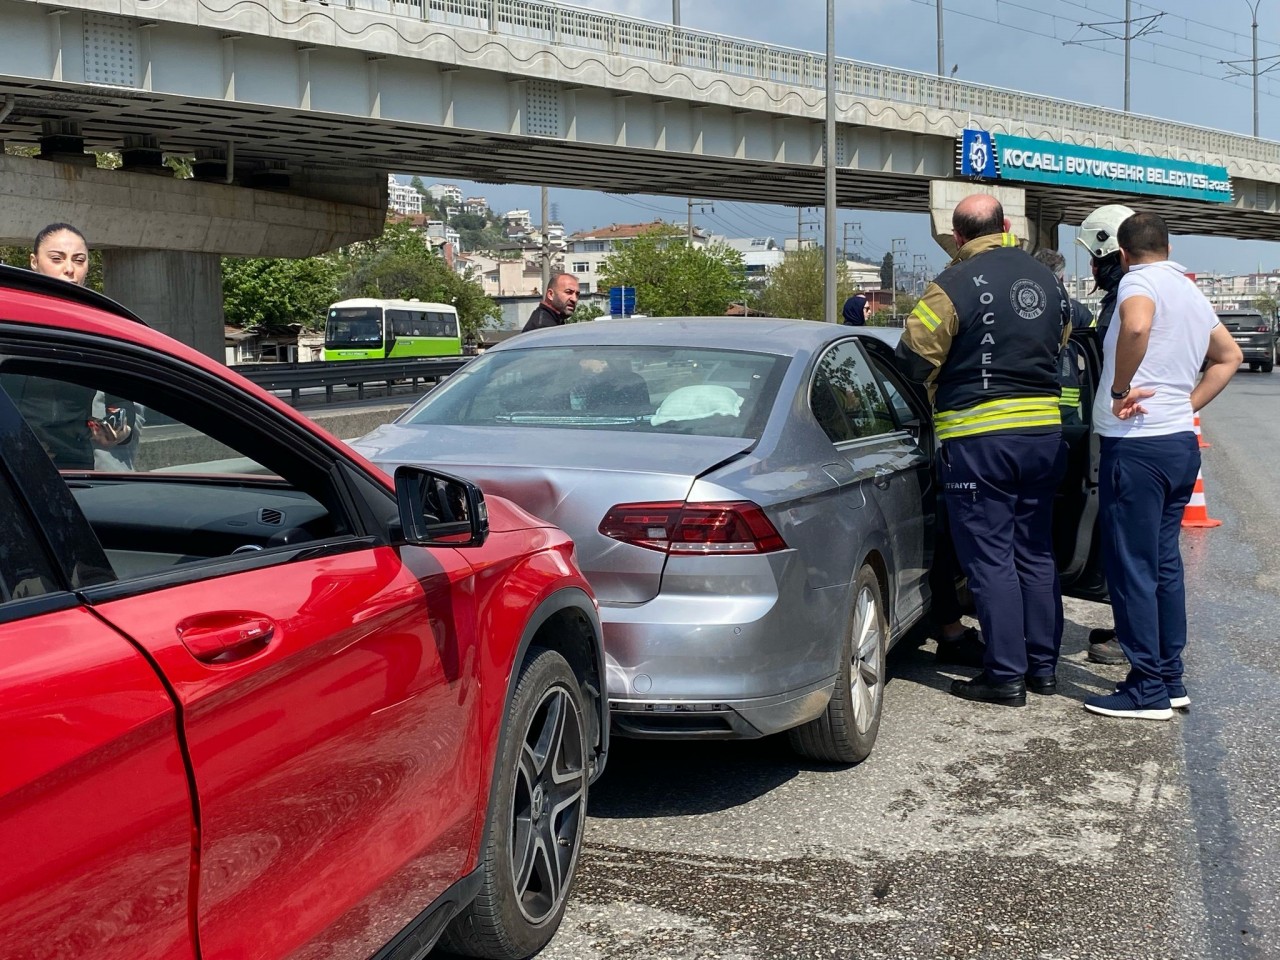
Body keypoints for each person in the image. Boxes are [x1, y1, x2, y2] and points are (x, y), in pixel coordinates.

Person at [895, 194, 1069, 707]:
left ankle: (1005, 676)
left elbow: (912, 358)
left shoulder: (950, 285)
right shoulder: (1048, 282)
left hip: (979, 439)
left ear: (957, 236)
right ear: (1007, 226)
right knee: (1035, 551)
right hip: (1044, 436)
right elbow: (1057, 344)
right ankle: (1043, 670)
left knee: (991, 559)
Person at [1083, 212, 1242, 721]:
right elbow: (1229, 356)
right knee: (1164, 564)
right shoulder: (1191, 291)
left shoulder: (1139, 282)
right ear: (1167, 246)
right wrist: (1186, 405)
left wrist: (1119, 389)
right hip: (1177, 443)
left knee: (1131, 567)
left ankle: (1146, 688)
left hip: (1136, 445)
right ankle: (1170, 678)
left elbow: (1135, 324)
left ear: (1123, 253)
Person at [2, 223, 139, 470]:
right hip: (12, 461)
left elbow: (121, 396)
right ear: (34, 262)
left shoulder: (99, 326)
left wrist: (120, 429)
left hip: (74, 465)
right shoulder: (11, 317)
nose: (69, 269)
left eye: (79, 260)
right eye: (56, 259)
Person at [1075, 204, 1136, 665]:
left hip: (1130, 438)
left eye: (1094, 258)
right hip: (1152, 436)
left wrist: (1115, 393)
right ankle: (1139, 637)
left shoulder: (1126, 301)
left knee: (1129, 545)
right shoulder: (1153, 292)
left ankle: (1133, 640)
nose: (1091, 268)